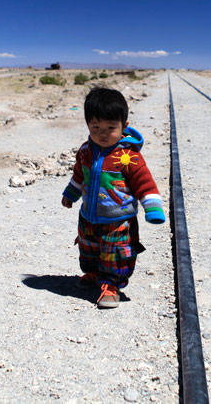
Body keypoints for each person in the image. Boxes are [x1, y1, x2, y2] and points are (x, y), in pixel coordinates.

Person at [61, 87, 165, 309]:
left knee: (115, 254)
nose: (102, 133)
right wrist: (70, 195)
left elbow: (145, 183)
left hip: (118, 220)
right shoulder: (85, 151)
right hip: (89, 216)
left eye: (111, 128)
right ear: (88, 124)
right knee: (90, 248)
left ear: (124, 126)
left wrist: (153, 209)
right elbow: (80, 176)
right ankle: (94, 274)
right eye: (95, 127)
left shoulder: (129, 157)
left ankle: (111, 285)